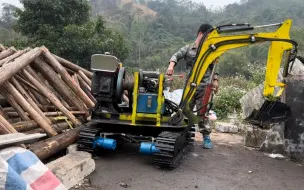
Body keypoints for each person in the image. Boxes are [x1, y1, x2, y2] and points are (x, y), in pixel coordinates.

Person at [166, 24, 219, 149]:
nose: (209, 39)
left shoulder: (210, 50)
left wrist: (215, 81)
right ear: (201, 34)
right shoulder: (188, 48)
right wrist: (171, 66)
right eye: (208, 36)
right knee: (185, 109)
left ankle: (206, 137)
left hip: (204, 86)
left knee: (202, 112)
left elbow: (215, 67)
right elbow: (176, 55)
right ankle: (185, 132)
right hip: (190, 86)